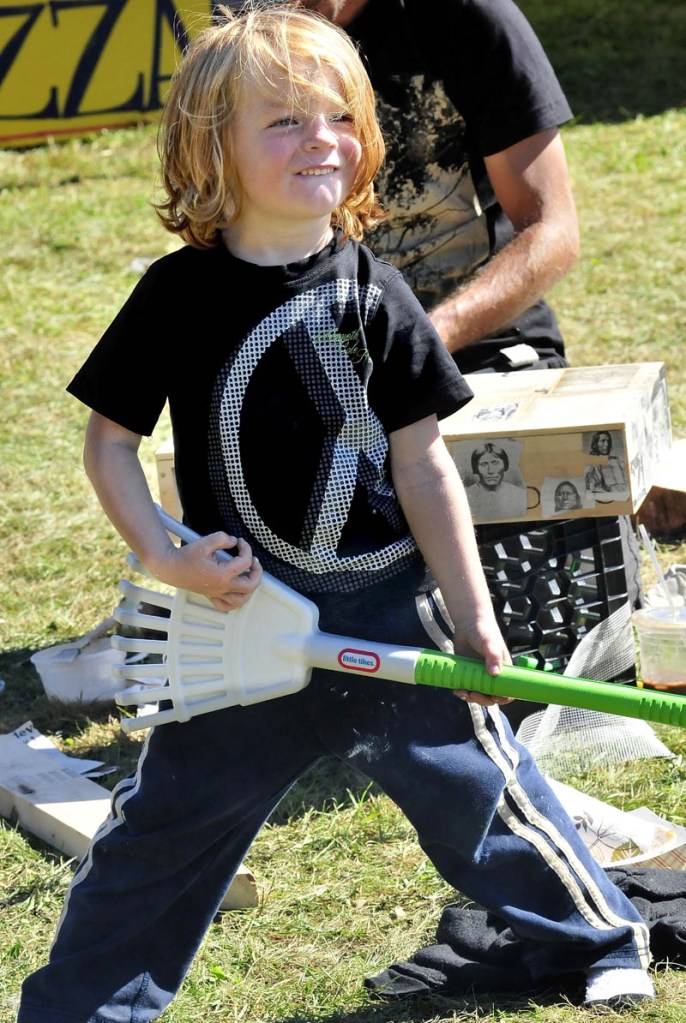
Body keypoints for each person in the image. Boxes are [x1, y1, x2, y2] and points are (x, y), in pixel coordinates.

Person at [18, 7, 654, 1020]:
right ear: (208, 147)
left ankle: (595, 938)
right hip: (235, 631)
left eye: (335, 117)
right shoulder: (175, 298)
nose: (319, 139)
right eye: (281, 122)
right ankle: (84, 1005)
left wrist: (471, 610)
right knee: (160, 837)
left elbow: (423, 465)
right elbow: (109, 447)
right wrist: (167, 558)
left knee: (480, 796)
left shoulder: (381, 295)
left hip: (386, 615)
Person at [286, 0, 580, 375]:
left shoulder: (465, 14)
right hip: (315, 356)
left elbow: (552, 230)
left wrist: (422, 339)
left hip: (479, 348)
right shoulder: (240, 35)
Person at [465, 441, 527, 521]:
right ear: (476, 468)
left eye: (495, 463)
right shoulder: (465, 497)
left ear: (505, 465)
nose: (490, 471)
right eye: (484, 464)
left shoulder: (519, 495)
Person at [586, 430, 629, 495]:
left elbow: (623, 482)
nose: (606, 444)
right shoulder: (591, 464)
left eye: (608, 441)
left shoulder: (615, 460)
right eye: (603, 441)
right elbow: (591, 488)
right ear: (595, 444)